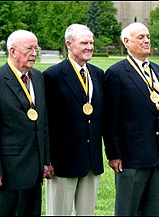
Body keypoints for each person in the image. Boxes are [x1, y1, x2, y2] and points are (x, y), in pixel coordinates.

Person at [0, 30, 53, 216]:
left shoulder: (37, 78)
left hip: (35, 171)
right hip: (8, 172)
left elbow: (42, 123)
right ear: (12, 51)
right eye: (29, 49)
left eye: (36, 49)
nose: (34, 53)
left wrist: (45, 160)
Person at [102, 22, 159, 216]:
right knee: (128, 209)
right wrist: (114, 153)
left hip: (157, 156)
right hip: (130, 157)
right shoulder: (116, 73)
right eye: (141, 37)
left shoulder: (158, 71)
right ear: (126, 42)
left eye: (148, 36)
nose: (147, 40)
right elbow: (110, 118)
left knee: (152, 210)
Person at [43, 23, 104, 216]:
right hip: (62, 162)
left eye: (91, 42)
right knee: (58, 212)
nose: (89, 47)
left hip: (91, 161)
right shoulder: (52, 76)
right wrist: (48, 160)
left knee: (86, 213)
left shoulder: (97, 74)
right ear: (69, 45)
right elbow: (46, 123)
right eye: (84, 42)